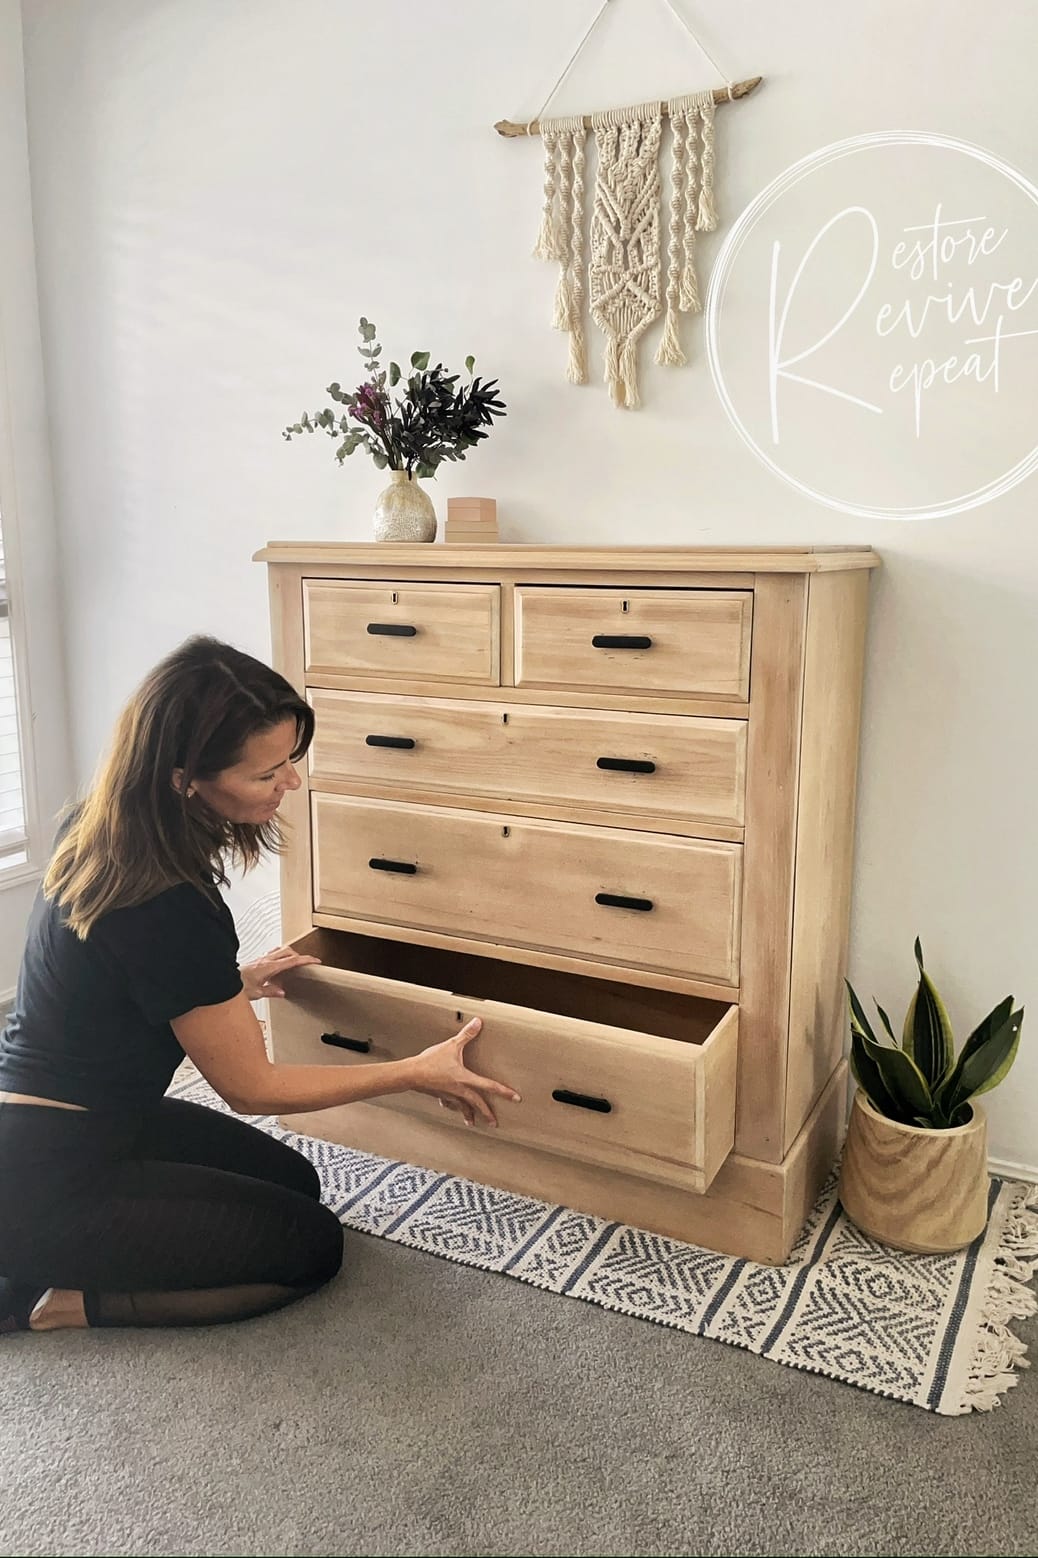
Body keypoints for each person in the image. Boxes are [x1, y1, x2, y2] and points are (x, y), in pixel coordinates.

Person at [0, 635, 519, 1336]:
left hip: (87, 1121)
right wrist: (410, 1073)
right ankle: (49, 1303)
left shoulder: (104, 826)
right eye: (266, 772)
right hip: (50, 1173)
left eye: (290, 761)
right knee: (311, 1247)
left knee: (294, 1185)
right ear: (185, 777)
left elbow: (123, 983)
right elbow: (253, 1089)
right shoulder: (164, 899)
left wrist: (229, 984)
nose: (291, 783)